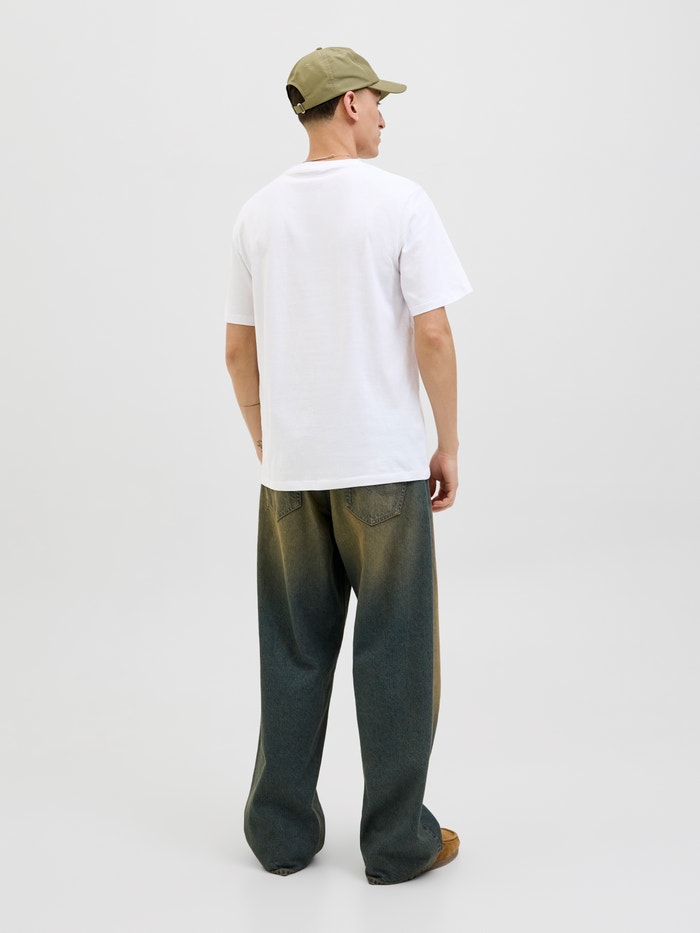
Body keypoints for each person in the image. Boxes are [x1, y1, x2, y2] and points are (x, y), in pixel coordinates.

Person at [224, 46, 473, 885]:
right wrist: (447, 442)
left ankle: (280, 834)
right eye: (378, 100)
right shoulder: (400, 202)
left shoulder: (257, 213)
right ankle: (397, 842)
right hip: (383, 468)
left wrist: (268, 439)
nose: (385, 118)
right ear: (352, 104)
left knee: (293, 649)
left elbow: (237, 350)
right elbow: (433, 333)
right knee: (395, 651)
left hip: (291, 476)